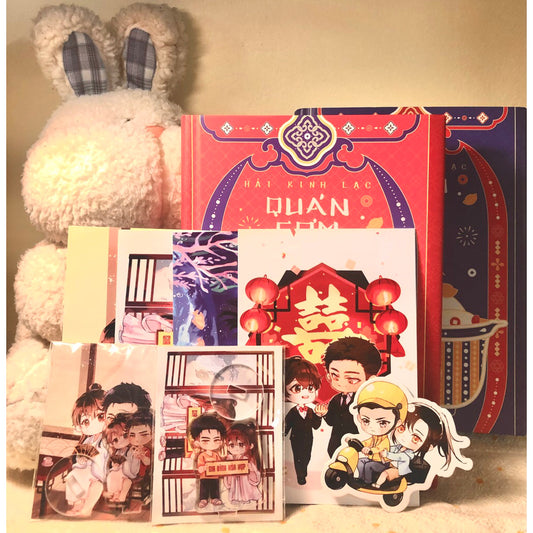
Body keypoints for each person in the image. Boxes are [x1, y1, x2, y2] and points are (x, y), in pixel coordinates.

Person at [319, 337, 382, 457]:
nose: (341, 383)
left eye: (352, 379)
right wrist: (324, 414)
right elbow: (331, 421)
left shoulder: (367, 401)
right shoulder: (336, 400)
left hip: (360, 445)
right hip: (336, 444)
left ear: (370, 379)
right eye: (335, 375)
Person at [372, 402, 458, 489]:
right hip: (392, 466)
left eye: (415, 438)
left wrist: (387, 454)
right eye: (401, 428)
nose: (404, 437)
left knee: (385, 473)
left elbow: (400, 457)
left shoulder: (408, 454)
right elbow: (391, 449)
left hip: (400, 472)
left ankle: (377, 486)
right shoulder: (399, 447)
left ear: (429, 446)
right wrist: (380, 449)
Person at [351, 380, 408, 486]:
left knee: (369, 466)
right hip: (372, 460)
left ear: (397, 423)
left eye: (382, 423)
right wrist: (358, 444)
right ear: (359, 418)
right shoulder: (374, 437)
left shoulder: (385, 440)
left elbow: (379, 448)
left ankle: (368, 482)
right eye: (366, 420)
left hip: (383, 463)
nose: (372, 427)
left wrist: (370, 450)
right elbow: (367, 442)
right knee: (360, 462)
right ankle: (361, 479)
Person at [284, 356, 323, 485]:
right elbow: (287, 426)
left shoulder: (311, 410)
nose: (305, 393)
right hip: (296, 439)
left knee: (307, 456)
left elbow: (316, 426)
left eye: (310, 388)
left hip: (308, 438)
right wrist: (282, 434)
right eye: (297, 388)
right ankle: (300, 476)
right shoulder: (292, 411)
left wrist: (318, 415)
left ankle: (303, 473)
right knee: (298, 458)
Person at [189, 413, 227, 508]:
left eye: (216, 440)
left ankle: (215, 498)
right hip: (204, 476)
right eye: (206, 440)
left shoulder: (216, 455)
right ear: (197, 442)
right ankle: (203, 499)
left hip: (215, 476)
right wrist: (203, 468)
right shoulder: (202, 455)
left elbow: (220, 464)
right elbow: (200, 467)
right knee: (204, 488)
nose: (211, 443)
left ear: (221, 441)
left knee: (215, 488)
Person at [223, 421, 262, 504]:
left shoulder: (248, 460)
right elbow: (227, 477)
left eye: (241, 444)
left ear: (251, 445)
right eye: (232, 445)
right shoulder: (230, 459)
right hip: (235, 482)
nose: (236, 448)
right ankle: (236, 498)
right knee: (235, 489)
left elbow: (255, 477)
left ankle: (246, 498)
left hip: (246, 483)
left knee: (246, 490)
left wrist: (251, 470)